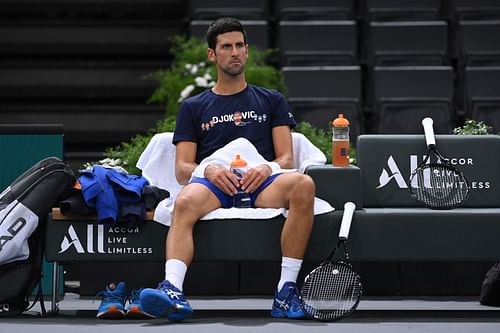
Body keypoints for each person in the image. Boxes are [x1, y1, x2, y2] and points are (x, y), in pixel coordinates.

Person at [140, 17, 315, 322]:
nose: (234, 52)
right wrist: (207, 170)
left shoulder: (272, 100)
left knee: (303, 185)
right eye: (226, 47)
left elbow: (287, 158)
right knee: (183, 201)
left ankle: (286, 292)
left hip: (261, 182)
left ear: (247, 51)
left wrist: (267, 167)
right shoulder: (193, 107)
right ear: (212, 54)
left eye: (239, 45)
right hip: (215, 185)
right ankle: (173, 290)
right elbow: (182, 168)